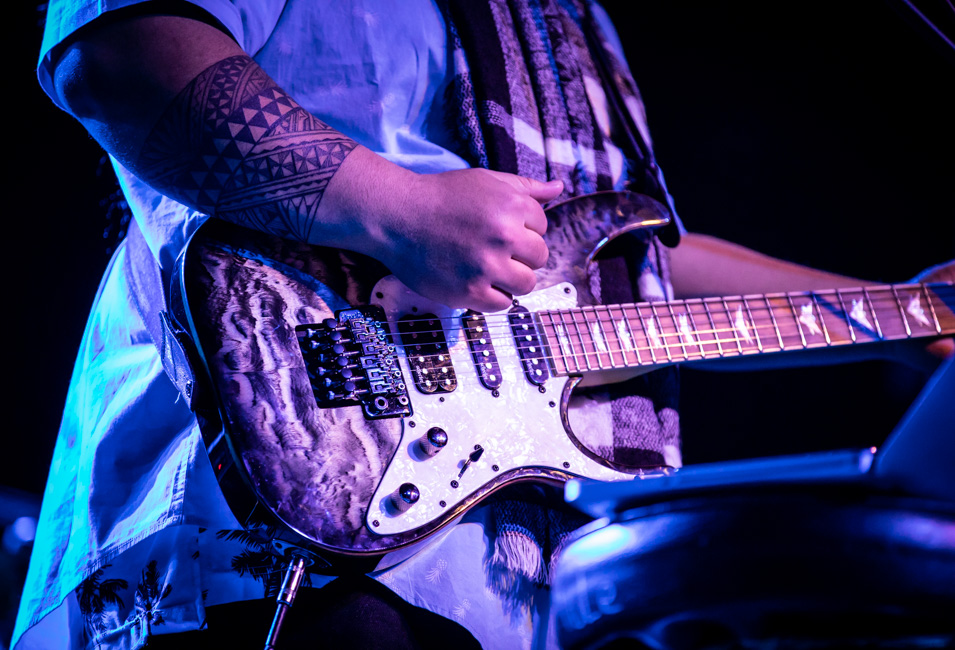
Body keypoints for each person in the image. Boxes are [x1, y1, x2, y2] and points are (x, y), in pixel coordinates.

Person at [17, 1, 952, 648]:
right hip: (273, 496)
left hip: (511, 570)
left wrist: (907, 312)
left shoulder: (570, 23)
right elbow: (122, 53)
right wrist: (401, 212)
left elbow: (631, 275)